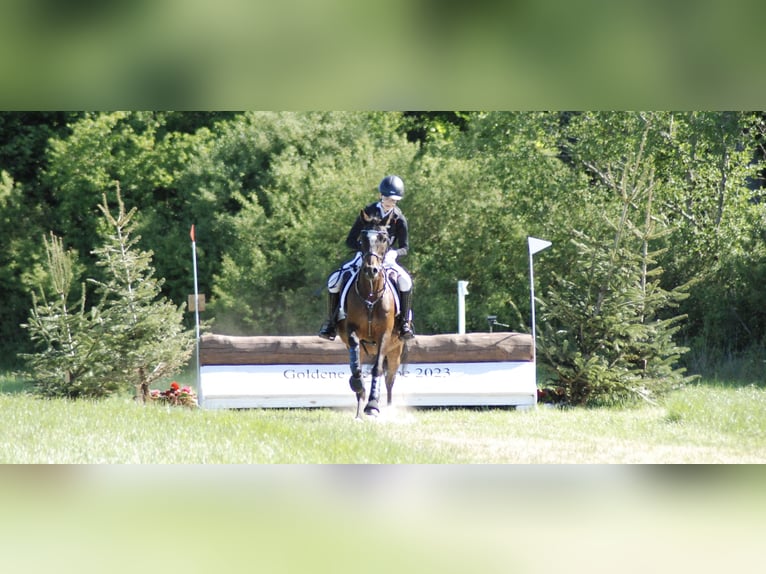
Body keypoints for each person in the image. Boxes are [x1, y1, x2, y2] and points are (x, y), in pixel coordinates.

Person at [318, 175, 414, 341]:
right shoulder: (368, 212)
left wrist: (394, 253)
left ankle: (404, 323)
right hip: (365, 256)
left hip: (387, 258)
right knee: (334, 281)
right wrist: (365, 251)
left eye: (394, 200)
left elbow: (405, 247)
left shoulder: (399, 219)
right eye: (387, 198)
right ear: (381, 196)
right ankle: (331, 323)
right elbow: (350, 240)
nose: (390, 202)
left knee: (405, 282)